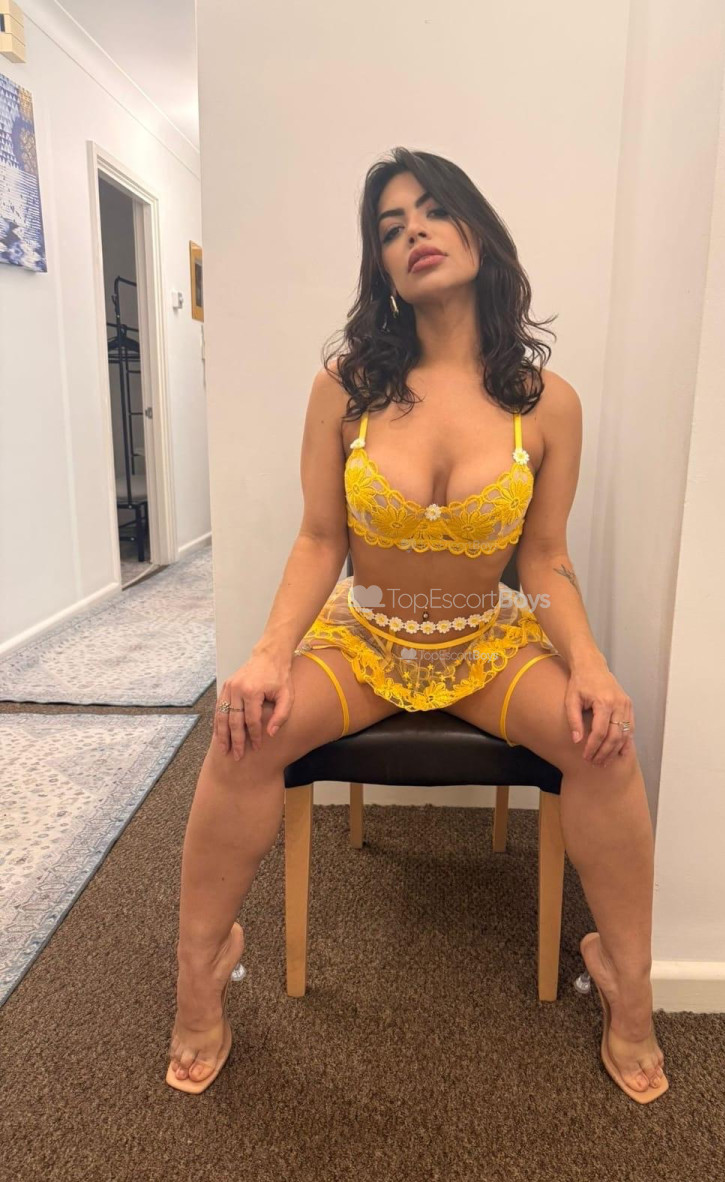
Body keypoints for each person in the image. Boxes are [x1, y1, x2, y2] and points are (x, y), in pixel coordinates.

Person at [166, 148, 667, 1102]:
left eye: (432, 211)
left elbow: (544, 559)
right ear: (382, 265)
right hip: (367, 639)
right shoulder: (346, 387)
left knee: (602, 744)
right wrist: (268, 654)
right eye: (391, 227)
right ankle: (200, 975)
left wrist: (589, 662)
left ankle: (626, 983)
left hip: (484, 641)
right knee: (242, 732)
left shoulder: (547, 404)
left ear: (478, 231)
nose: (414, 233)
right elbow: (321, 538)